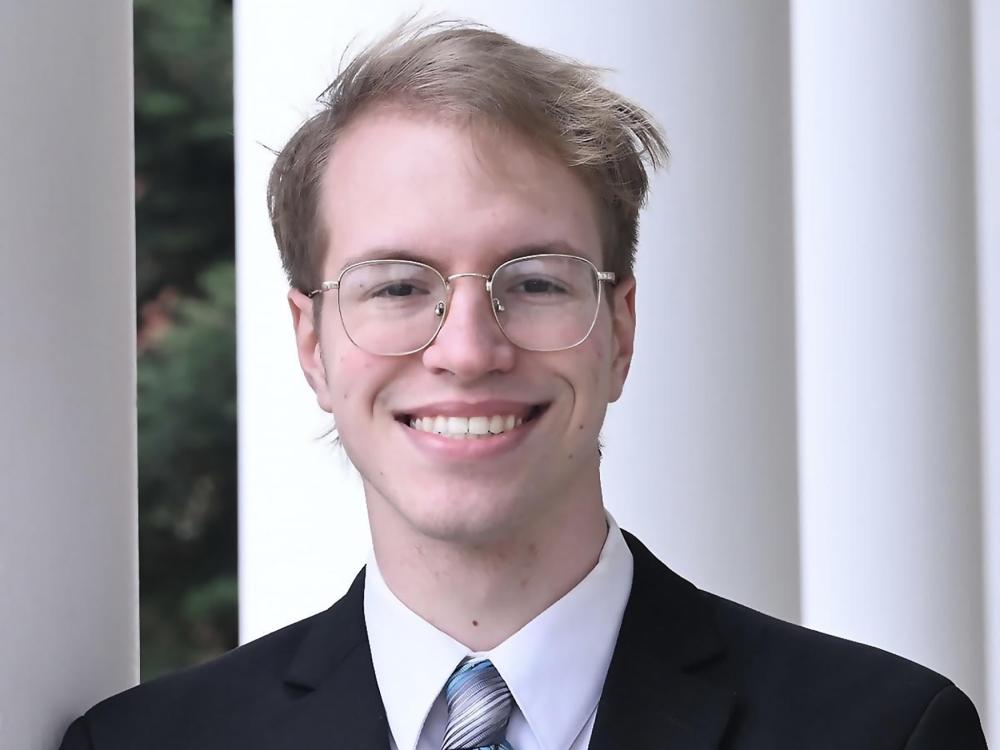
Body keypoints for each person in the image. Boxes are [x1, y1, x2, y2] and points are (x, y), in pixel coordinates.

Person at [60, 20, 987, 750]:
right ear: (312, 343)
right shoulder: (145, 744)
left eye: (535, 282)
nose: (467, 350)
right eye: (397, 286)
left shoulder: (881, 733)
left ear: (619, 329)